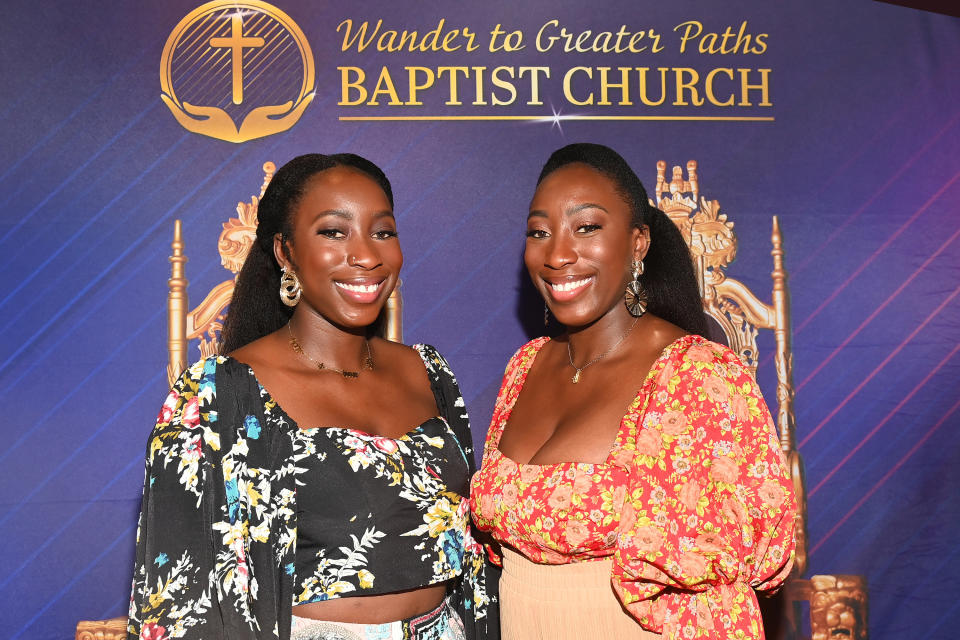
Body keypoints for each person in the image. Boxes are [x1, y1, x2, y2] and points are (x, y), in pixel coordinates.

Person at [128, 153, 498, 640]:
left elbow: (476, 553)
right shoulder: (218, 395)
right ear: (285, 251)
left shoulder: (429, 373)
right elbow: (175, 599)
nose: (367, 255)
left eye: (383, 231)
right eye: (333, 232)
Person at [469, 143, 796, 640]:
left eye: (587, 227)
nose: (558, 253)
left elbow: (751, 565)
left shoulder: (700, 377)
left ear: (638, 243)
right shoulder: (525, 366)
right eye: (540, 232)